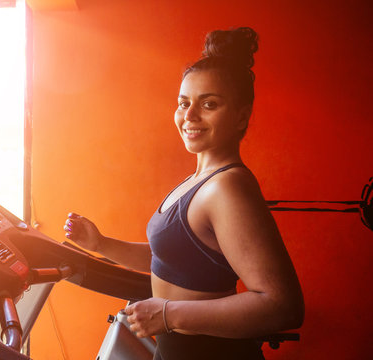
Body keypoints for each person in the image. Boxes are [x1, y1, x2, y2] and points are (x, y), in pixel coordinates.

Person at [64, 27, 304, 360]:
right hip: (176, 349)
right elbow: (171, 260)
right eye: (183, 103)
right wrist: (101, 244)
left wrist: (168, 314)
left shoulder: (227, 187)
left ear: (241, 116)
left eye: (209, 104)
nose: (189, 116)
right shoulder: (198, 181)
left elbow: (282, 306)